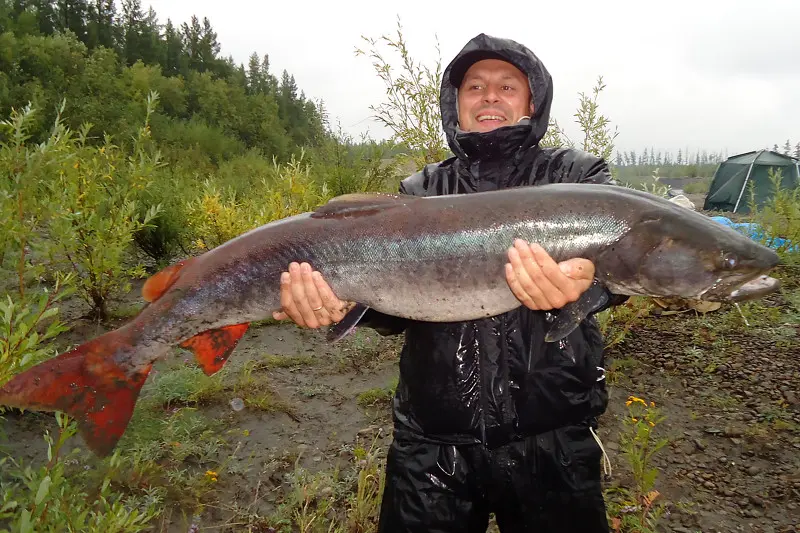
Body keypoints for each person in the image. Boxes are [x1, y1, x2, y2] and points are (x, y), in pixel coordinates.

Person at [273, 33, 621, 533]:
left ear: (532, 102)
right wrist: (340, 305)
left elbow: (626, 263)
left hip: (554, 436)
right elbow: (394, 308)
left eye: (507, 86)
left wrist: (589, 287)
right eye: (474, 87)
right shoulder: (420, 192)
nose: (490, 97)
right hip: (433, 444)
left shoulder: (577, 176)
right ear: (455, 104)